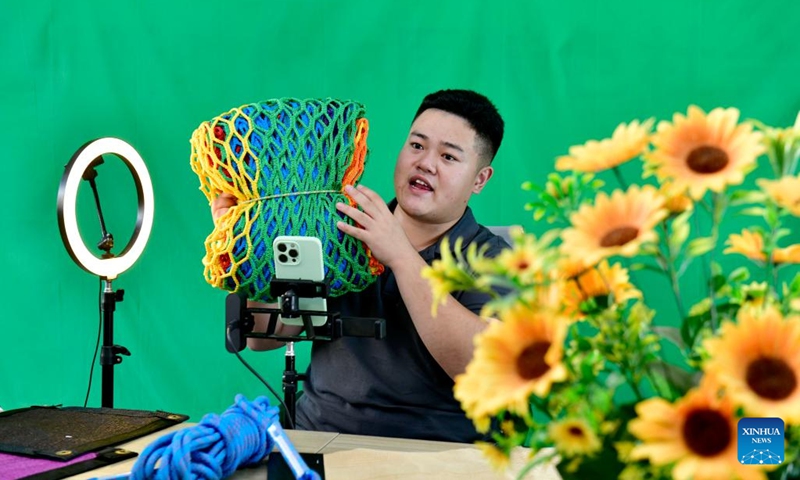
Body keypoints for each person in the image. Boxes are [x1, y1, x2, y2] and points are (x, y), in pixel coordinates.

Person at [212, 89, 509, 443]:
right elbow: (264, 338)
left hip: (437, 454)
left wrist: (399, 256)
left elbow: (485, 371)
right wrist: (247, 246)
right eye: (417, 145)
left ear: (480, 180)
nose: (426, 163)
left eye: (448, 156)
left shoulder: (495, 259)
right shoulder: (340, 232)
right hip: (321, 438)